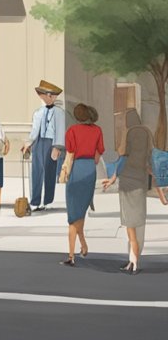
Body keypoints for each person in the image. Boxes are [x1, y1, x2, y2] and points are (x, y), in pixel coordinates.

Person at [103, 108, 166, 274]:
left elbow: (122, 156)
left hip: (127, 180)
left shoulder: (128, 132)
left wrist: (113, 178)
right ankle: (135, 257)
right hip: (140, 181)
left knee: (128, 220)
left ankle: (132, 259)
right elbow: (151, 157)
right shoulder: (147, 132)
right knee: (139, 220)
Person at [60, 103, 103, 266]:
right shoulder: (97, 130)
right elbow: (98, 154)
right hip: (90, 169)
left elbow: (70, 153)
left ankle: (71, 255)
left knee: (73, 214)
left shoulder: (72, 131)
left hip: (76, 169)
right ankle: (83, 245)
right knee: (81, 210)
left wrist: (66, 170)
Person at [23, 80, 65, 212]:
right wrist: (28, 143)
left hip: (51, 143)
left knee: (50, 172)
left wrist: (57, 147)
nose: (42, 97)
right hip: (38, 142)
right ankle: (35, 200)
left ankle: (47, 200)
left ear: (50, 96)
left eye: (43, 94)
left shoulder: (59, 113)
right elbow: (34, 130)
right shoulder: (38, 112)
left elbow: (60, 129)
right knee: (36, 171)